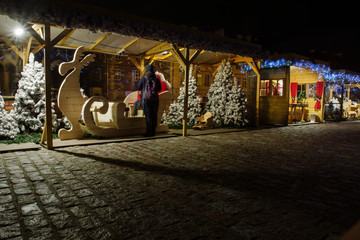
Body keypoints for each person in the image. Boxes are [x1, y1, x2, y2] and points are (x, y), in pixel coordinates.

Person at [137, 65, 162, 137]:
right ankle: (153, 132)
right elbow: (159, 89)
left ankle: (148, 133)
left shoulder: (144, 78)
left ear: (147, 71)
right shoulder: (157, 79)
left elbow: (138, 87)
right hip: (155, 100)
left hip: (146, 99)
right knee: (154, 115)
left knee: (148, 116)